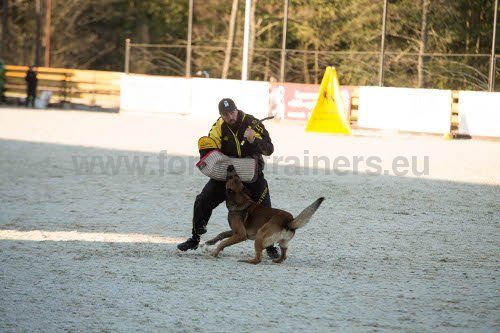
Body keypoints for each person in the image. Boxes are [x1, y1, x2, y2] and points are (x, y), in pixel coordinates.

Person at [177, 97, 279, 259]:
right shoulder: (219, 126)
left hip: (251, 175)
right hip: (227, 175)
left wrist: (254, 139)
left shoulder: (252, 123)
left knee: (265, 209)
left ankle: (270, 246)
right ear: (221, 115)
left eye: (232, 112)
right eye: (226, 114)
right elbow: (211, 147)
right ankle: (195, 237)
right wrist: (207, 148)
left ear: (236, 110)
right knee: (203, 199)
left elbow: (269, 150)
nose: (230, 117)